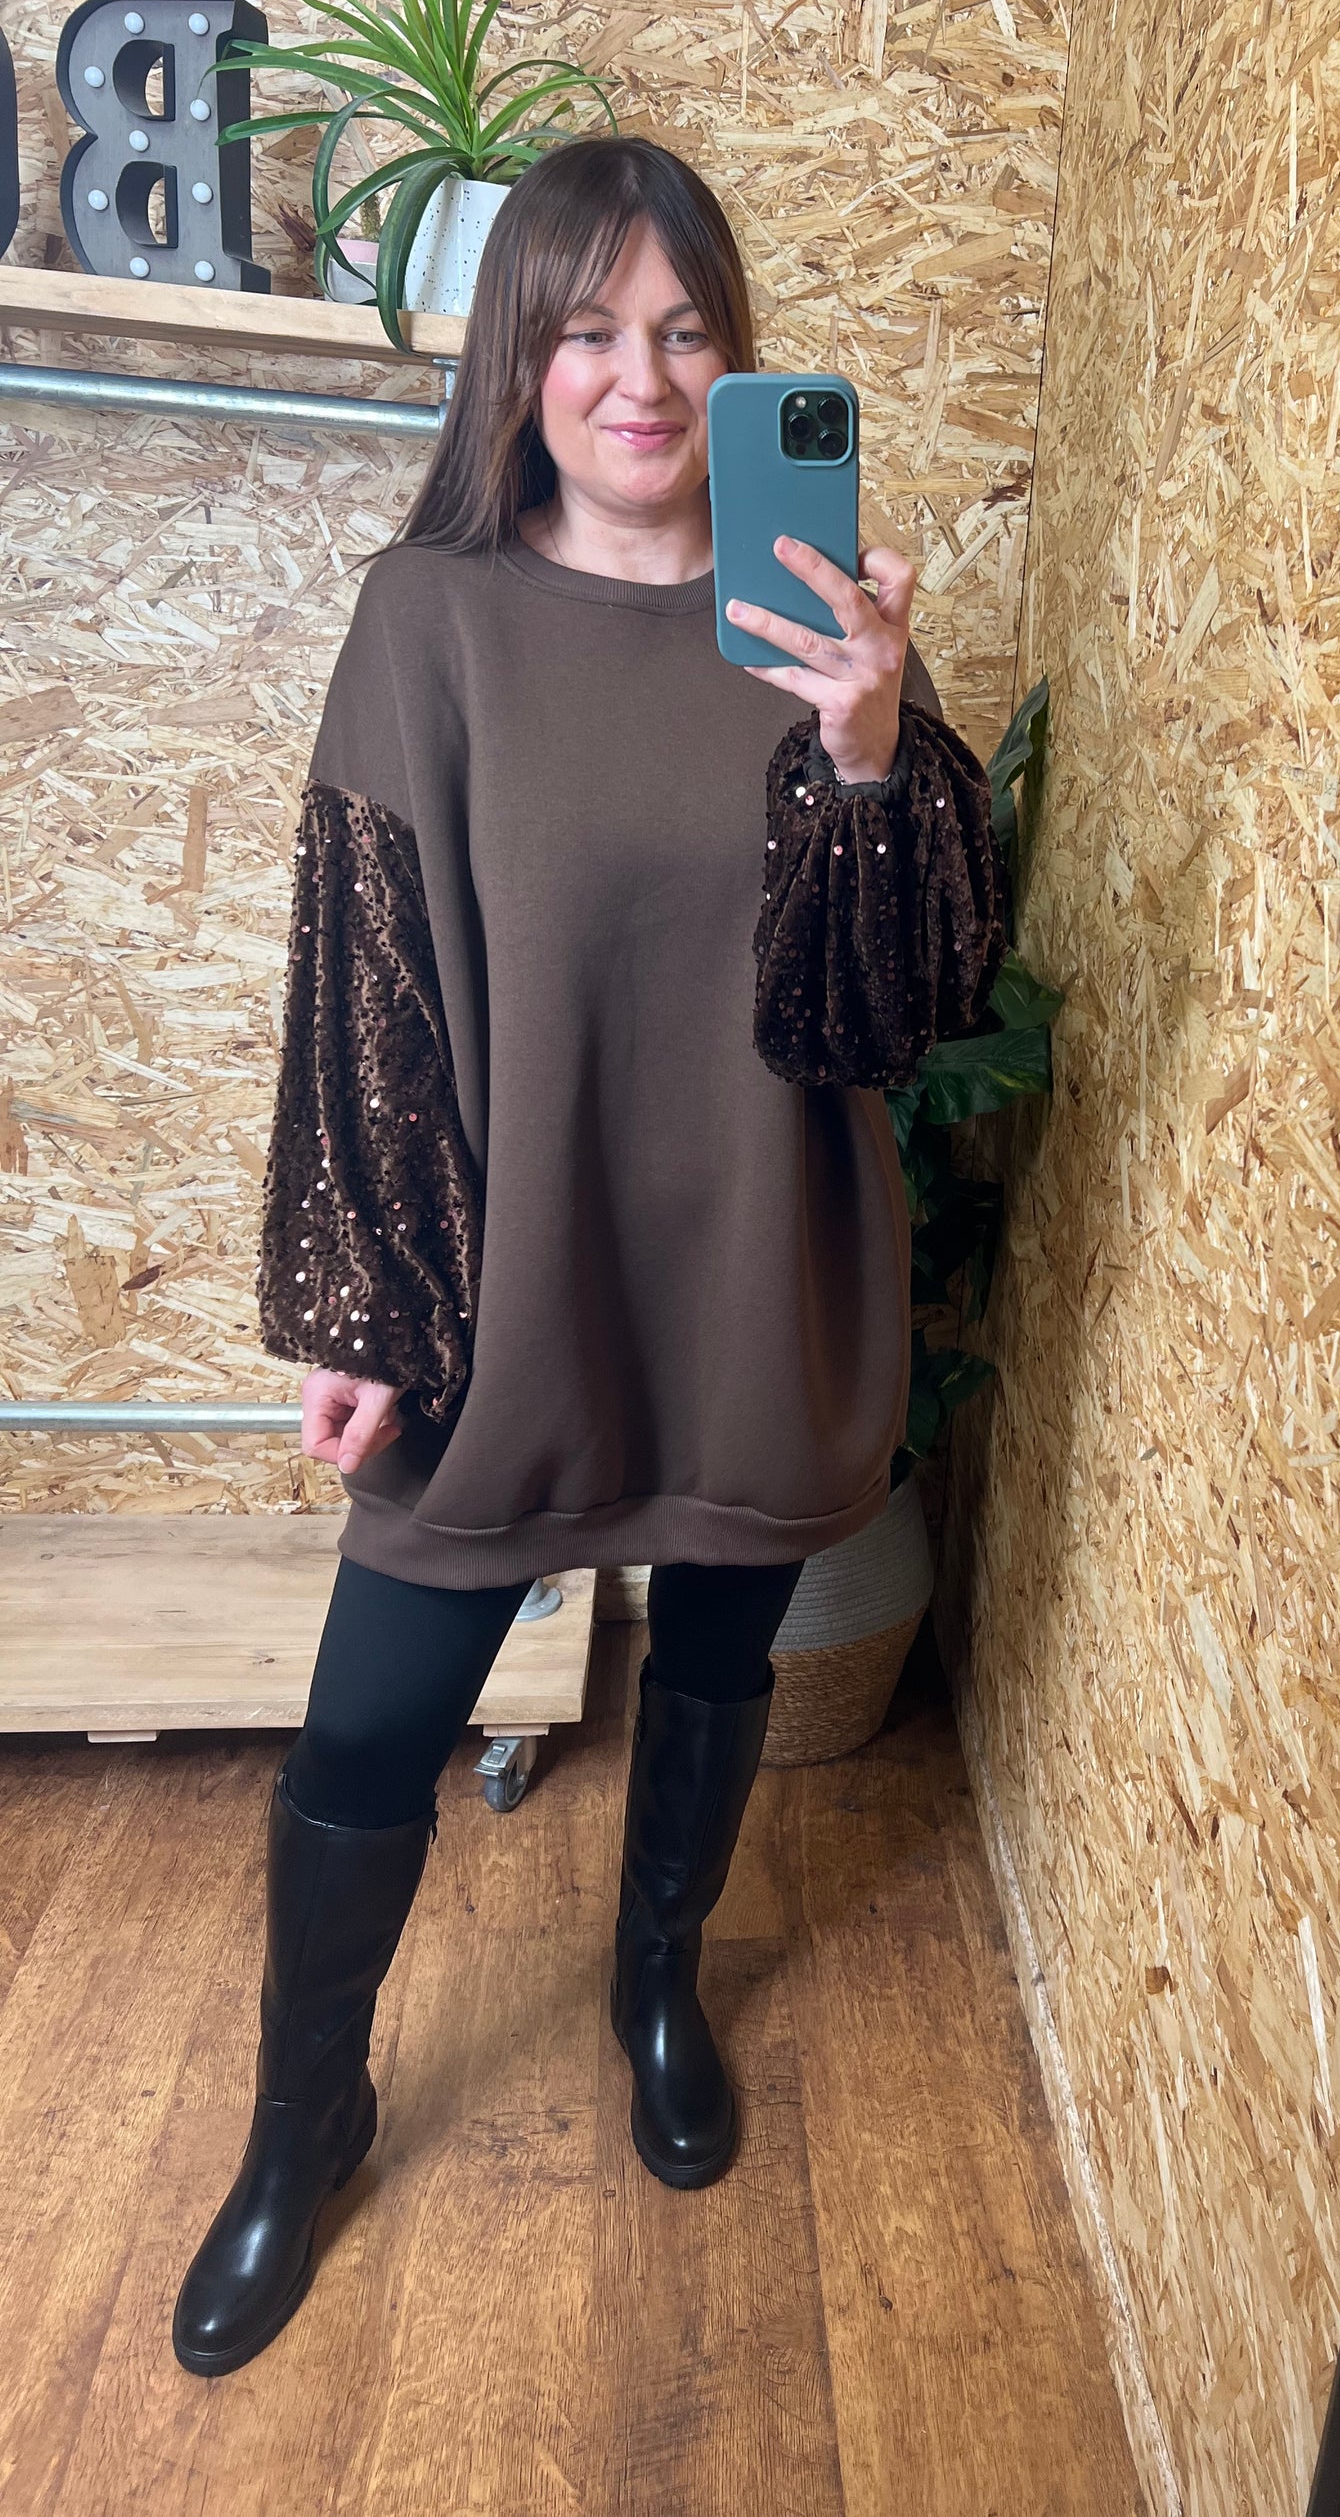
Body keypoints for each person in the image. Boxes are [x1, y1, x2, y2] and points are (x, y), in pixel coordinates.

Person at [171, 134, 1006, 2378]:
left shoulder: (819, 623)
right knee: (370, 1719)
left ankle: (658, 1984)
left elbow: (897, 1009)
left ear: (737, 360)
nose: (639, 378)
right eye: (586, 330)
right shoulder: (430, 621)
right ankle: (302, 2116)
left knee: (720, 1656)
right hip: (507, 1285)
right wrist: (364, 1307)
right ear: (517, 363)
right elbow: (364, 987)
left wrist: (866, 751)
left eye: (685, 329)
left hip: (762, 1265)